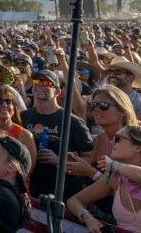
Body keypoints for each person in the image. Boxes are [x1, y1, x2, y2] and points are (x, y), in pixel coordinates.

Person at [67, 124, 141, 233]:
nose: (111, 142)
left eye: (118, 139)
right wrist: (87, 217)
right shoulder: (117, 179)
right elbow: (73, 201)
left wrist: (114, 165)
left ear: (138, 148)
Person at [20, 70, 95, 200]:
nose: (39, 86)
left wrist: (61, 162)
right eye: (37, 82)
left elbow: (89, 158)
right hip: (32, 187)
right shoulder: (24, 117)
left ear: (57, 92)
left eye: (46, 83)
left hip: (64, 191)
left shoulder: (72, 122)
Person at [0, 85, 36, 171]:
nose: (4, 105)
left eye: (8, 102)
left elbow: (28, 170)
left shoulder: (25, 135)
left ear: (14, 108)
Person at [105, 57, 141, 124]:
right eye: (109, 72)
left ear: (131, 77)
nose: (111, 75)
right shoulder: (99, 98)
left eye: (117, 72)